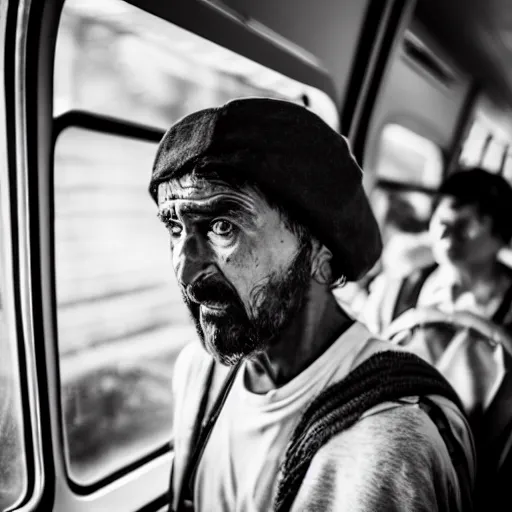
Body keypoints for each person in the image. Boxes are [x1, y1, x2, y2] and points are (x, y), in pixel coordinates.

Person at [148, 98, 475, 511]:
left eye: (222, 226)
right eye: (175, 227)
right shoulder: (195, 374)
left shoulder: (389, 444)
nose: (186, 272)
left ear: (321, 251)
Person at [361, 167, 512, 511]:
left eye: (469, 220)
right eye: (443, 212)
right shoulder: (399, 286)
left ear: (500, 236)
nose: (447, 226)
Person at [362, 167, 512, 335]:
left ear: (500, 237)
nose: (445, 234)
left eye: (464, 226)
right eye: (442, 222)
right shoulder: (397, 288)